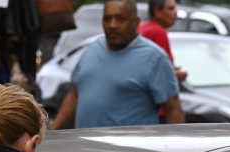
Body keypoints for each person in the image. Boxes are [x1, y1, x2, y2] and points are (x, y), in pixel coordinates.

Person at [51, 0, 183, 129]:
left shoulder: (155, 58)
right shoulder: (91, 50)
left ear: (136, 22)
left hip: (131, 149)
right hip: (86, 148)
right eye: (107, 18)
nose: (113, 25)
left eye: (121, 19)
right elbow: (75, 94)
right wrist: (50, 135)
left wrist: (178, 147)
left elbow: (173, 108)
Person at [139, 0, 187, 84]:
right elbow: (163, 73)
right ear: (157, 11)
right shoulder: (157, 32)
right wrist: (178, 75)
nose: (175, 13)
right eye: (171, 9)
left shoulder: (143, 27)